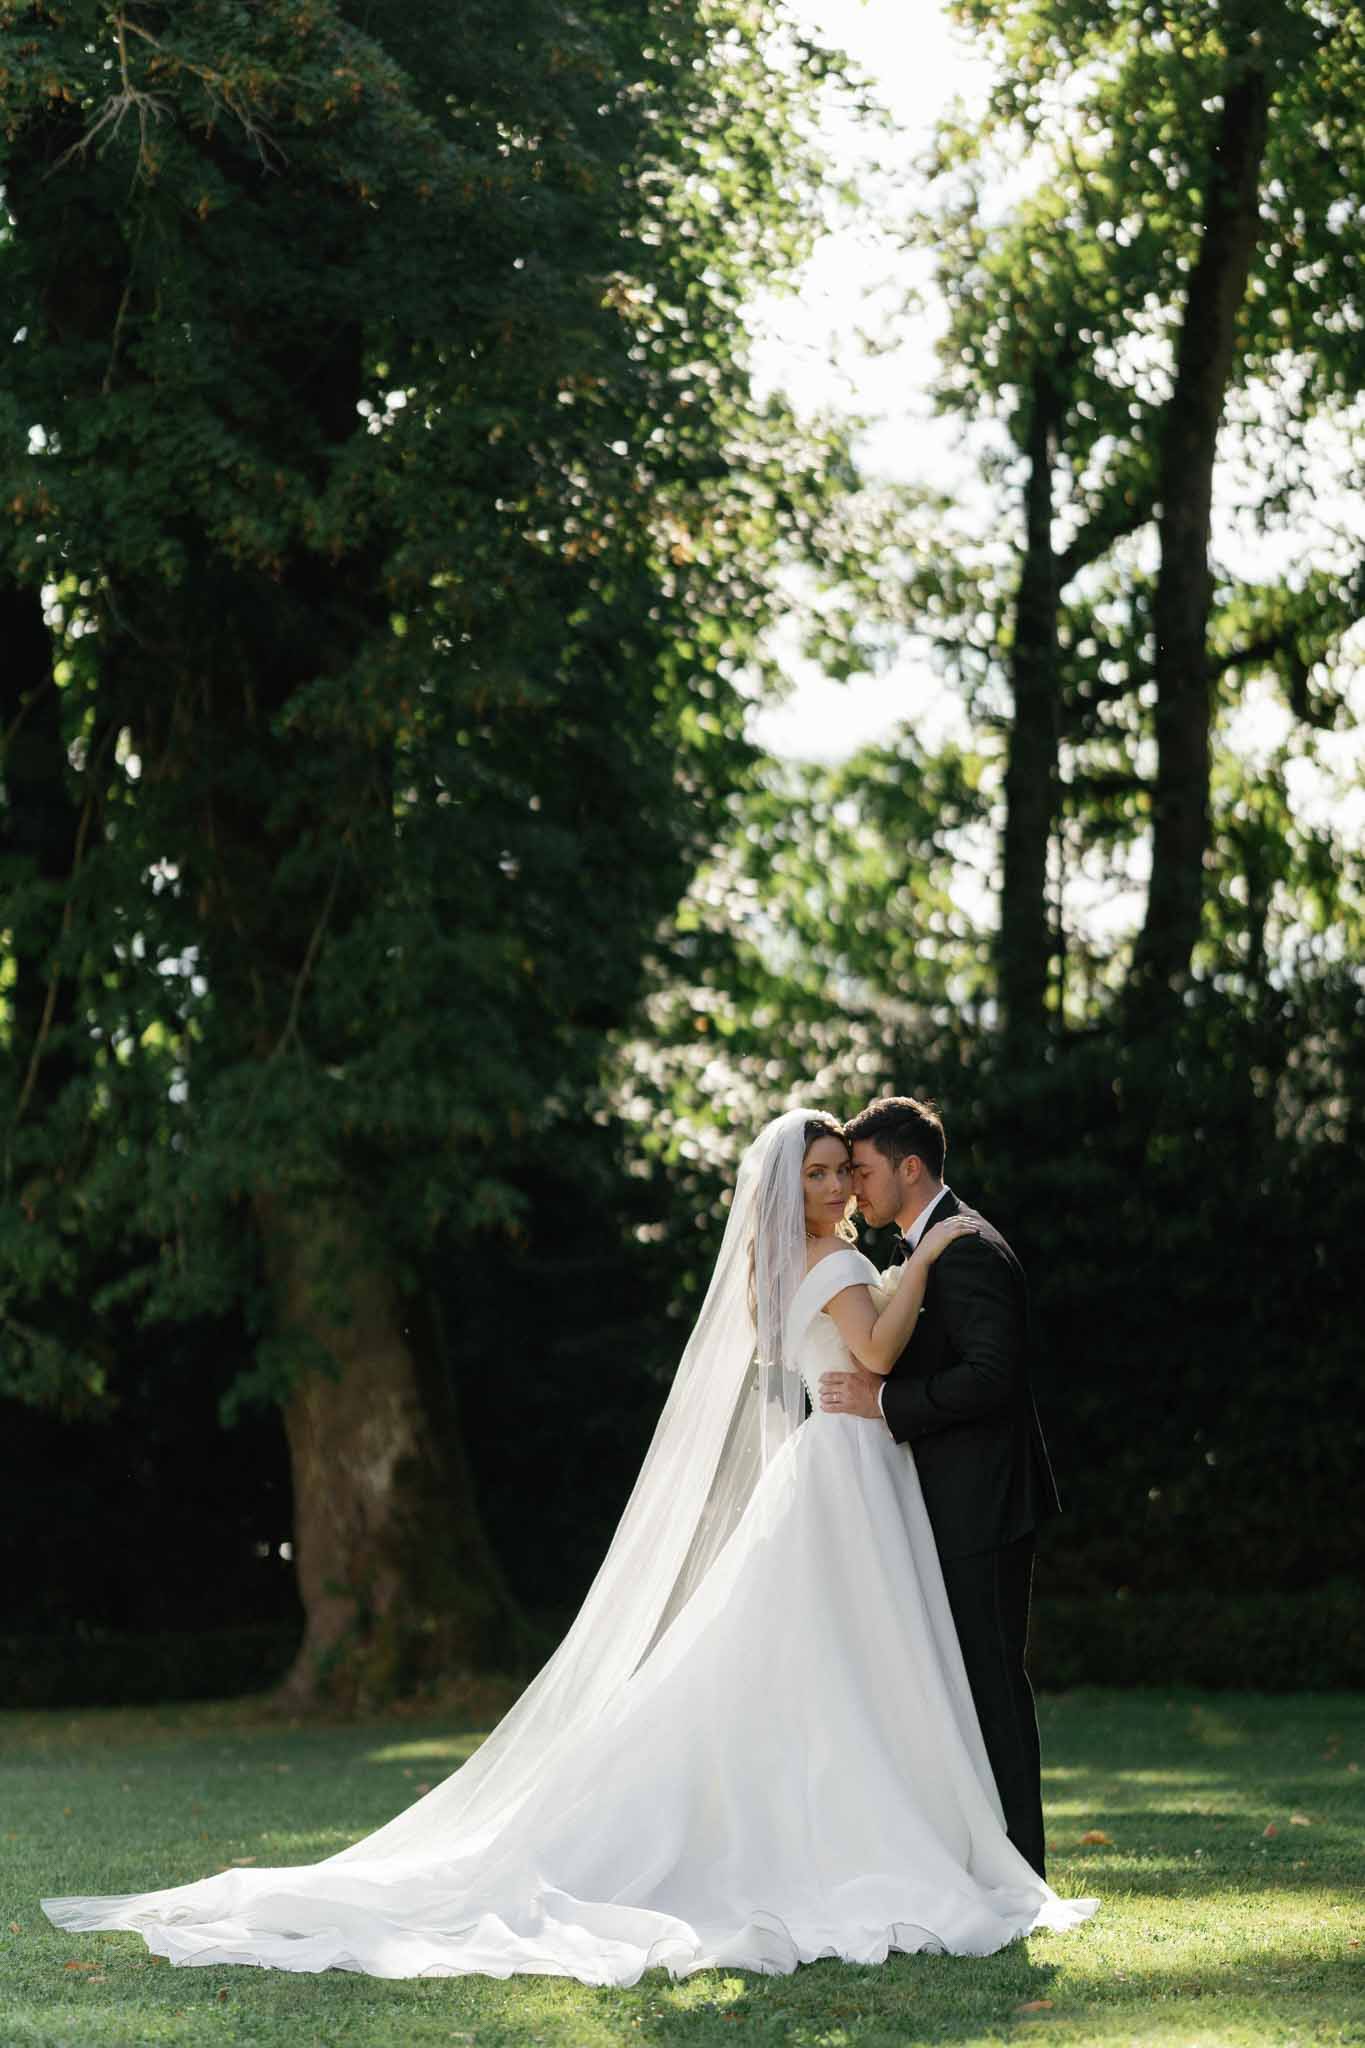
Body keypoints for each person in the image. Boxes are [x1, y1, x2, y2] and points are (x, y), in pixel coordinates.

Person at [43, 1108, 1094, 1982]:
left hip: (839, 1468)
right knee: (854, 1660)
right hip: (844, 1472)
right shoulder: (839, 1261)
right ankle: (888, 1835)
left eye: (843, 1170)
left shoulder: (792, 1265)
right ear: (792, 1185)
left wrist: (906, 1291)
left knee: (840, 1665)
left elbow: (871, 1362)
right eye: (822, 1171)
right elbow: (871, 1347)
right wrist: (926, 1260)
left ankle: (911, 1824)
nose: (837, 1185)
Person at [818, 1096, 1060, 1879]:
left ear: (908, 1167)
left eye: (861, 1170)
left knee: (991, 1683)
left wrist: (885, 1403)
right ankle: (975, 1854)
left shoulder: (968, 1249)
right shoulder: (927, 1248)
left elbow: (991, 1378)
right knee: (956, 1686)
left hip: (980, 1504)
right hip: (941, 1501)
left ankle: (1022, 1866)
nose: (853, 1188)